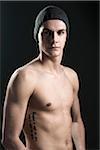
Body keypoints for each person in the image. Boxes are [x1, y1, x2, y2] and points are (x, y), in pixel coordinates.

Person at [1, 5, 86, 150]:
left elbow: (76, 121)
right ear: (37, 36)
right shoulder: (25, 77)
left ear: (66, 35)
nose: (54, 39)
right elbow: (9, 138)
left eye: (60, 32)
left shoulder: (71, 76)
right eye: (47, 33)